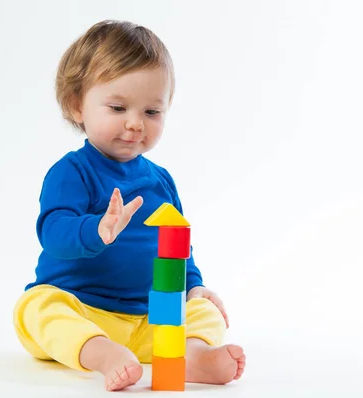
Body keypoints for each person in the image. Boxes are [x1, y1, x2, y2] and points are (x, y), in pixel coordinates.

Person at [13, 20, 245, 391]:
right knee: (36, 309)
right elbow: (53, 233)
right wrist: (96, 230)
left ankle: (192, 355)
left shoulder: (161, 180)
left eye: (152, 112)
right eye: (118, 107)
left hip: (150, 319)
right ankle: (103, 355)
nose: (135, 124)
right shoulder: (72, 171)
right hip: (84, 311)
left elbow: (177, 245)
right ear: (77, 106)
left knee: (205, 309)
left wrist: (193, 286)